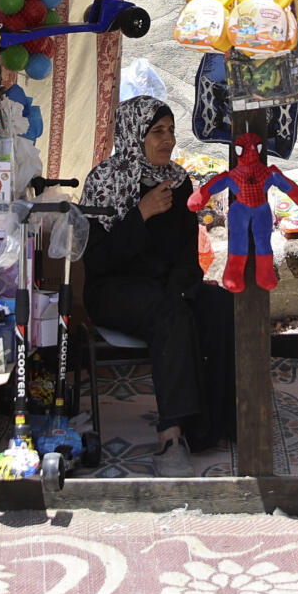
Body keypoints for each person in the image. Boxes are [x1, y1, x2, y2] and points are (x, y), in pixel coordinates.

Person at [82, 96, 236, 475]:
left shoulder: (180, 183)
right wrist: (141, 213)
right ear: (135, 135)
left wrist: (183, 285)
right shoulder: (105, 180)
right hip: (113, 289)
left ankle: (215, 423)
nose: (166, 140)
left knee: (219, 304)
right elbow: (96, 260)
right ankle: (172, 433)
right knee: (169, 313)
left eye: (170, 131)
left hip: (166, 286)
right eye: (157, 132)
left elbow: (187, 253)